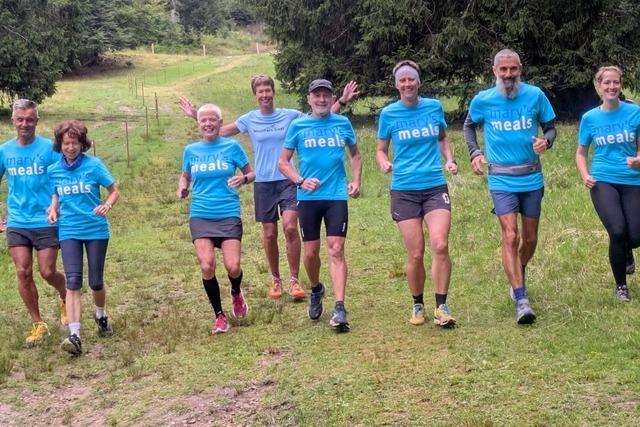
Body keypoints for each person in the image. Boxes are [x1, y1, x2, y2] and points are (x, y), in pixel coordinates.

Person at [179, 77, 358, 302]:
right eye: (260, 91)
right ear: (255, 95)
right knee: (269, 232)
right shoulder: (249, 119)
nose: (264, 95)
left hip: (289, 180)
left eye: (268, 90)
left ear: (273, 92)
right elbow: (218, 131)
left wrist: (342, 101)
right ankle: (276, 279)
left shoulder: (290, 116)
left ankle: (294, 279)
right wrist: (197, 115)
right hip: (263, 182)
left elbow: (319, 116)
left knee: (290, 228)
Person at [464, 49, 557, 324]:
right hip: (501, 178)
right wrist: (475, 152)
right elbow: (468, 126)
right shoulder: (483, 99)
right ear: (494, 71)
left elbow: (551, 127)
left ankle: (520, 267)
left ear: (520, 69)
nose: (508, 74)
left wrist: (546, 141)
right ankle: (521, 299)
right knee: (510, 235)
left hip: (531, 176)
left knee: (530, 239)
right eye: (503, 69)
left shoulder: (535, 95)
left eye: (513, 69)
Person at [376, 60, 458, 328]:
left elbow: (442, 138)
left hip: (434, 185)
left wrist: (449, 159)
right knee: (416, 252)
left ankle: (441, 306)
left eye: (411, 79)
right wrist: (384, 162)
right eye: (402, 80)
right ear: (396, 85)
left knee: (440, 244)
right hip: (404, 190)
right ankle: (417, 303)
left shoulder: (434, 107)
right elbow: (380, 149)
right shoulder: (389, 114)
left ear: (418, 82)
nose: (407, 84)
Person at [278, 79, 362, 332]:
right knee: (311, 253)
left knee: (336, 249)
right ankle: (316, 289)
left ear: (332, 98)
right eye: (317, 95)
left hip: (336, 196)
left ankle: (340, 306)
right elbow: (283, 162)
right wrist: (300, 181)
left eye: (326, 95)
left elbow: (356, 155)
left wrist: (356, 181)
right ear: (309, 99)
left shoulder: (342, 123)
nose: (322, 99)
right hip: (308, 199)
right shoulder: (298, 126)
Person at [177, 104, 255, 334]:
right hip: (201, 213)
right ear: (198, 124)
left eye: (212, 120)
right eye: (204, 120)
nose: (208, 124)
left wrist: (243, 180)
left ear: (220, 123)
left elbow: (251, 173)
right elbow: (185, 176)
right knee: (207, 265)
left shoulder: (232, 146)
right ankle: (219, 316)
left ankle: (236, 291)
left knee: (233, 266)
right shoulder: (191, 150)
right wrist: (182, 187)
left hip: (228, 212)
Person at [47, 121, 119, 356]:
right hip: (69, 230)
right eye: (66, 143)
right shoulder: (53, 170)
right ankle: (74, 335)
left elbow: (114, 190)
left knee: (95, 282)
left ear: (82, 144)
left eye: (75, 143)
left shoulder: (94, 166)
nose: (70, 148)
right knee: (73, 281)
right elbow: (56, 195)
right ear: (60, 144)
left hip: (95, 229)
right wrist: (53, 209)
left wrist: (107, 205)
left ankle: (101, 315)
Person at [0, 99, 67, 345]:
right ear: (13, 121)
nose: (24, 124)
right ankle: (38, 324)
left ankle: (65, 295)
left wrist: (57, 203)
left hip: (46, 219)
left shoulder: (50, 148)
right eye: (20, 119)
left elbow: (63, 178)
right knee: (23, 271)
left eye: (29, 119)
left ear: (37, 120)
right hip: (18, 220)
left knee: (47, 271)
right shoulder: (5, 151)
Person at [576, 65, 640, 302]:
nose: (612, 87)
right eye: (607, 83)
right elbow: (581, 153)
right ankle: (621, 286)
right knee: (617, 231)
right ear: (598, 86)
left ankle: (627, 250)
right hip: (603, 179)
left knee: (635, 236)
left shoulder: (635, 112)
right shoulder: (590, 118)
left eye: (616, 82)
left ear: (620, 85)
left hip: (633, 179)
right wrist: (585, 174)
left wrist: (638, 160)